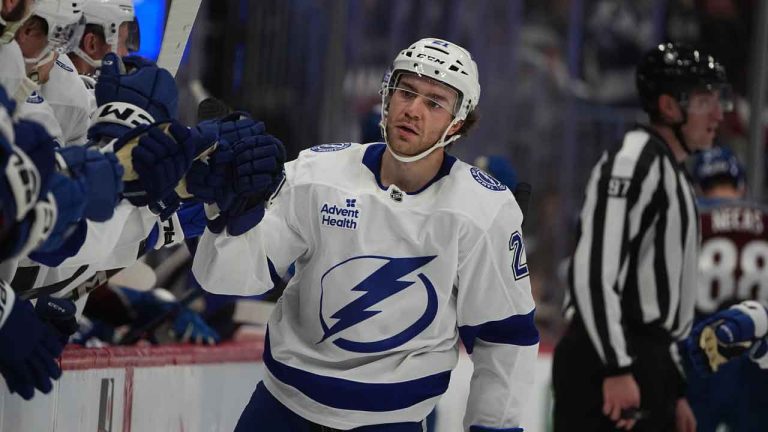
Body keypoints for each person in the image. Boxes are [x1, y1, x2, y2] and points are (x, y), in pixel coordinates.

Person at [191, 37, 539, 431]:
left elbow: (504, 336)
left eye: (434, 102)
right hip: (282, 410)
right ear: (387, 97)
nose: (413, 110)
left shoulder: (483, 211)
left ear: (457, 122)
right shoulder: (317, 174)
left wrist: (495, 427)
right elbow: (225, 279)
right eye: (406, 92)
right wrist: (230, 218)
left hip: (391, 423)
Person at [552, 42, 732, 432]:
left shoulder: (674, 171)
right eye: (705, 101)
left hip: (643, 360)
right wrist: (616, 367)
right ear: (669, 106)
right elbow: (594, 272)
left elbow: (663, 304)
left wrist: (674, 388)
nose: (719, 114)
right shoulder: (635, 160)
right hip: (609, 359)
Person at [682, 146, 768, 431]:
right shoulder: (765, 221)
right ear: (741, 185)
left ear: (698, 187)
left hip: (701, 355)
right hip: (757, 362)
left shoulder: (691, 222)